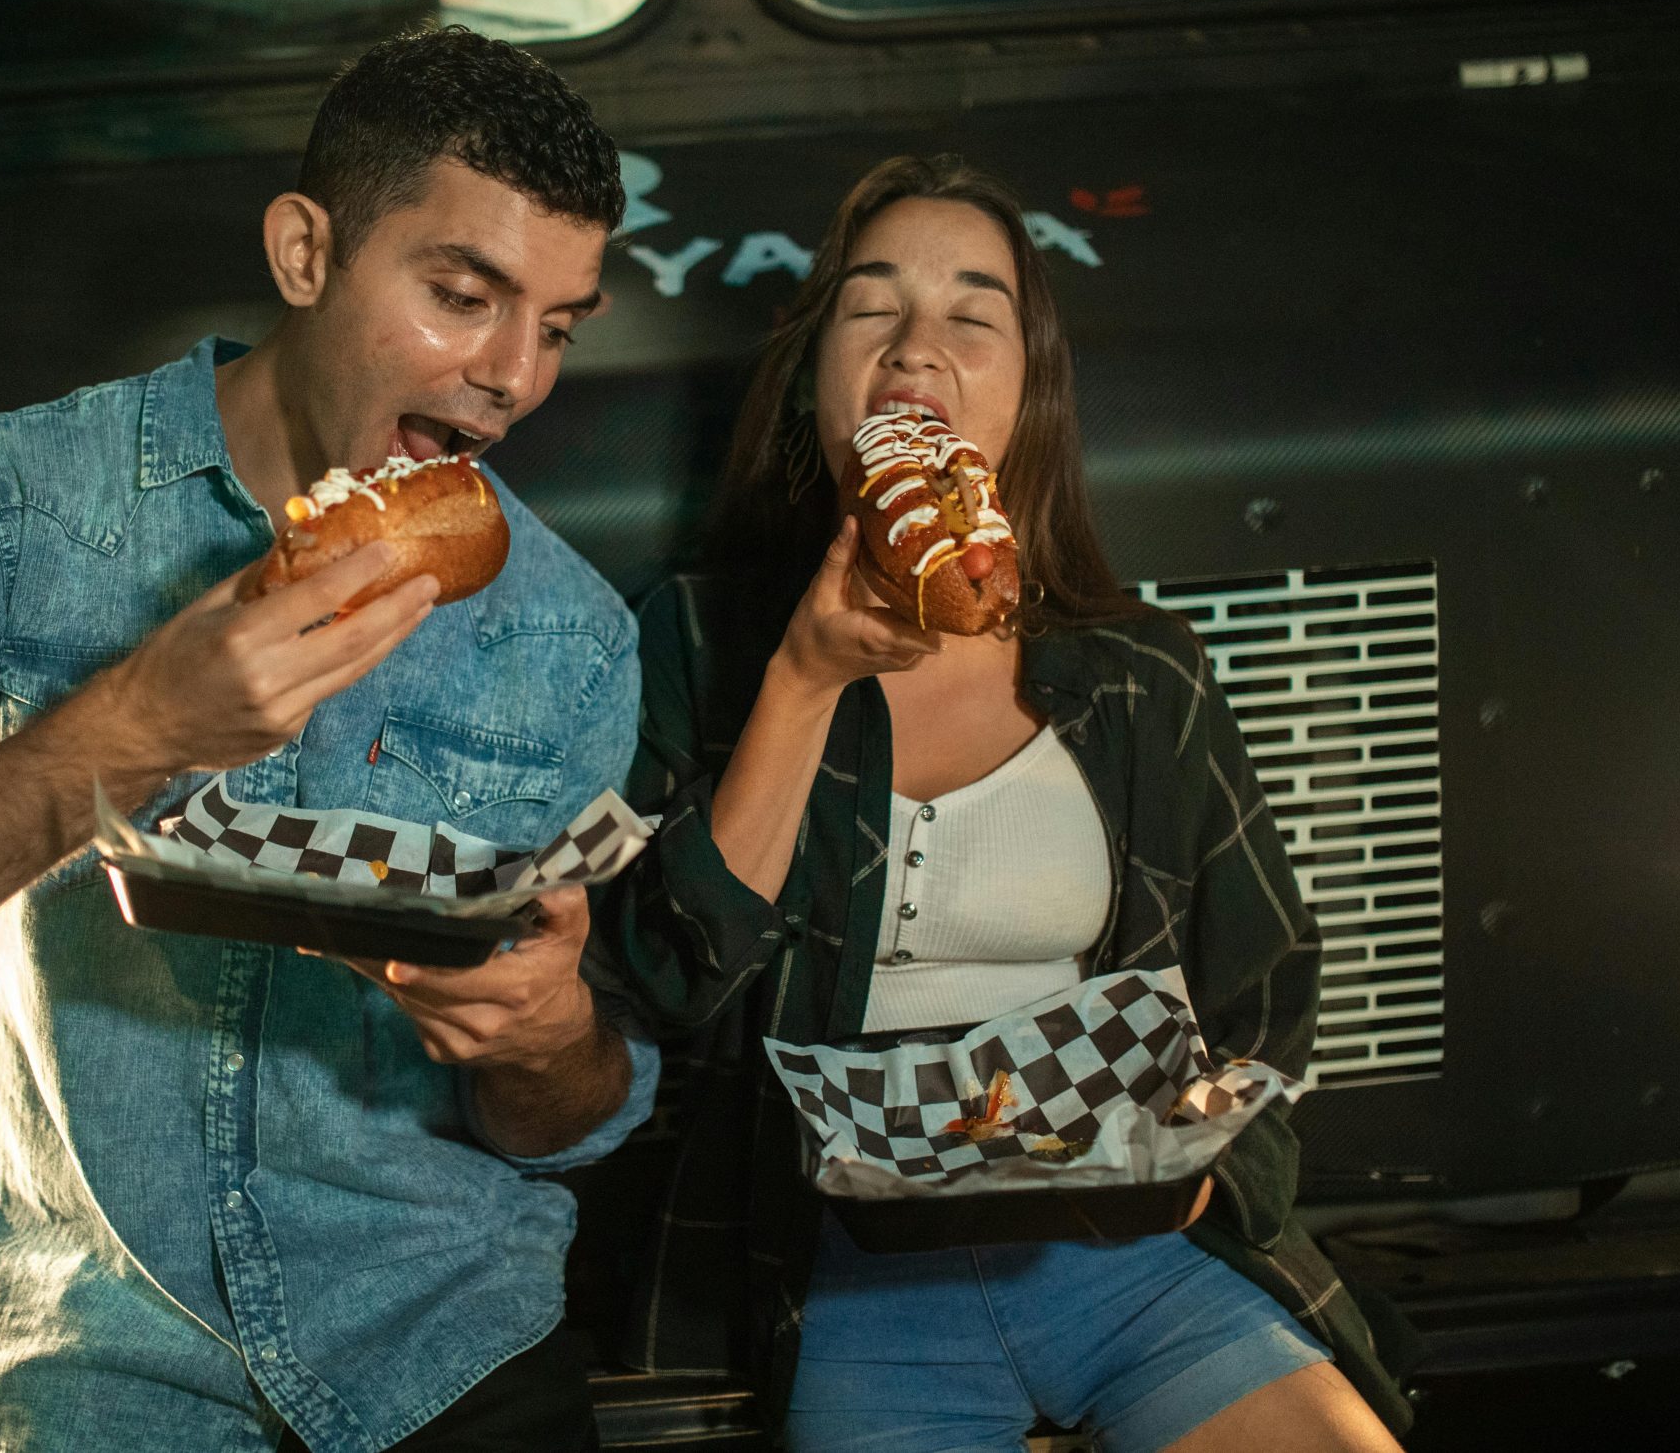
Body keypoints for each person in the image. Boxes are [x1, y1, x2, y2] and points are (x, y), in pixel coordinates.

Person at [0, 25, 658, 1453]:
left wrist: (550, 1041)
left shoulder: (575, 632)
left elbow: (563, 1122)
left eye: (560, 325)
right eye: (465, 297)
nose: (515, 375)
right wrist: (137, 726)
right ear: (303, 252)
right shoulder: (1, 507)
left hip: (452, 1357)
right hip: (97, 1371)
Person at [586, 154, 1416, 1451]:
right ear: (815, 379)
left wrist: (1194, 1181)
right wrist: (803, 681)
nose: (919, 345)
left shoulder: (1144, 678)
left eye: (973, 315)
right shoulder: (697, 639)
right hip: (847, 1284)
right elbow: (655, 983)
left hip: (1127, 1268)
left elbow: (1266, 1003)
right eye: (874, 307)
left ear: (1026, 396)